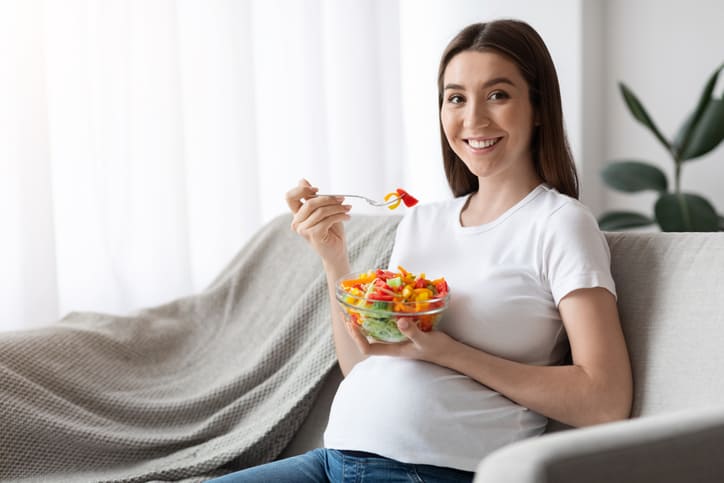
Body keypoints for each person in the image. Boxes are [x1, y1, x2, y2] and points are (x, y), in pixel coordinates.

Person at [211, 18, 632, 483]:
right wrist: (335, 260)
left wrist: (447, 352)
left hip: (429, 469)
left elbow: (605, 400)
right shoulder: (422, 222)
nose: (473, 119)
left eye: (498, 94)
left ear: (538, 108)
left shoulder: (560, 224)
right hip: (333, 460)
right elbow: (367, 363)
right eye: (456, 98)